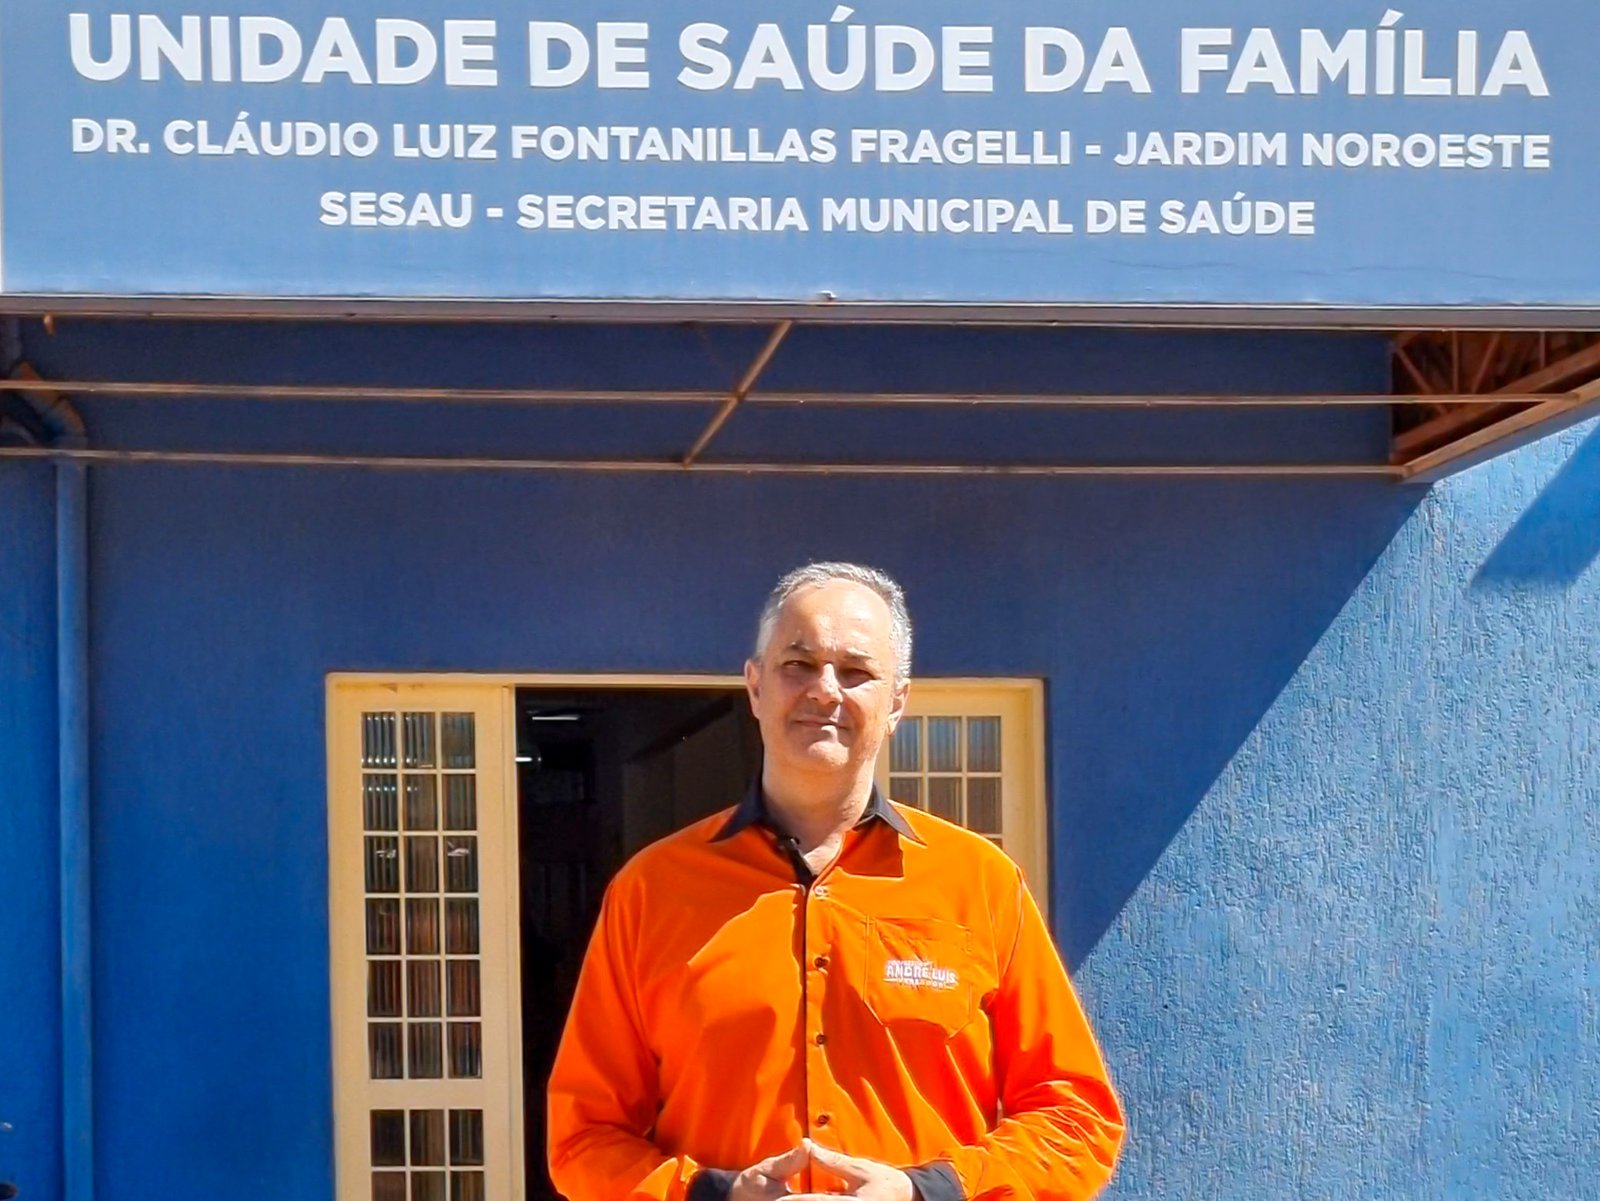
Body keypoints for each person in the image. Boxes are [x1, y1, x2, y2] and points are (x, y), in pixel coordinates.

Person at [548, 563, 1124, 1201]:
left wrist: (926, 1191)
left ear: (897, 702)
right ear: (755, 685)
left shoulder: (980, 884)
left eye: (857, 672)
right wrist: (714, 1194)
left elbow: (1076, 1120)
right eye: (799, 664)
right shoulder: (651, 891)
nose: (825, 691)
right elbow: (583, 1137)